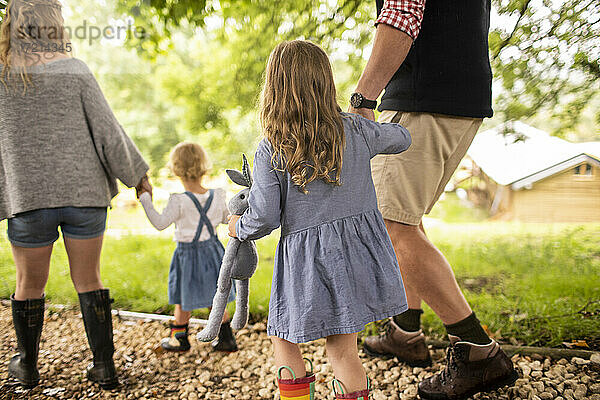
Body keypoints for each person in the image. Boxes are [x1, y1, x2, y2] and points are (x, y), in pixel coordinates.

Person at [348, 1, 518, 399]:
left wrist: (363, 99)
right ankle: (405, 334)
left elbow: (401, 16)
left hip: (421, 99)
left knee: (392, 227)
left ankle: (479, 353)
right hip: (461, 96)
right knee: (406, 220)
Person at [228, 40, 412, 400]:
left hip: (307, 264)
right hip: (358, 256)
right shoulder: (355, 130)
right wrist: (363, 113)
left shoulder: (273, 147)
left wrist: (239, 227)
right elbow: (403, 138)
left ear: (274, 88)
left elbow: (264, 216)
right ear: (326, 84)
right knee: (343, 350)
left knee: (283, 336)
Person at [0, 0, 151, 390]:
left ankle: (27, 367)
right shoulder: (75, 71)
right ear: (55, 26)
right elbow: (108, 132)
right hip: (84, 196)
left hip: (28, 198)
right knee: (89, 279)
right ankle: (103, 367)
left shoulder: (2, 78)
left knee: (29, 284)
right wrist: (138, 175)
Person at [139, 142, 238, 353]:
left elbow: (160, 223)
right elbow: (226, 219)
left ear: (176, 169)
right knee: (216, 295)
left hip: (187, 256)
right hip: (213, 253)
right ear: (204, 165)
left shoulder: (179, 201)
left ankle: (180, 338)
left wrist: (145, 199)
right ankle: (226, 338)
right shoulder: (218, 195)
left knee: (184, 296)